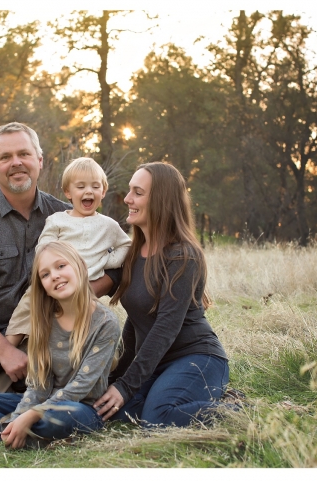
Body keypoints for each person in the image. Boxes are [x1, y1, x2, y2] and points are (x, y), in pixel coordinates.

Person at [0, 122, 117, 431]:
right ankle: (41, 421)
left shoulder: (70, 216)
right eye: (6, 157)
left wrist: (82, 297)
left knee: (88, 387)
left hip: (58, 338)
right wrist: (5, 350)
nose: (16, 163)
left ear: (39, 160)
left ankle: (46, 414)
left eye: (24, 153)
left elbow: (114, 266)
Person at [93, 162, 230, 427]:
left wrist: (126, 386)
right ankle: (160, 397)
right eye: (130, 191)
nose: (127, 199)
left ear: (161, 200)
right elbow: (135, 322)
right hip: (157, 363)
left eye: (138, 192)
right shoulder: (133, 253)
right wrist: (116, 381)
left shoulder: (184, 255)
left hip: (197, 358)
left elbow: (165, 327)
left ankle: (234, 409)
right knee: (110, 413)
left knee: (157, 418)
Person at [0, 241, 120, 448]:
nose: (55, 276)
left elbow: (81, 386)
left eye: (61, 266)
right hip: (43, 402)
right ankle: (21, 437)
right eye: (45, 274)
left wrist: (32, 414)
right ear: (43, 287)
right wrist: (19, 416)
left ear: (81, 267)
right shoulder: (44, 321)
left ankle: (14, 435)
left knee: (61, 418)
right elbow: (37, 385)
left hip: (81, 408)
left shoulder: (106, 323)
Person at [5, 157, 131, 347]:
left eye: (95, 187)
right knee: (29, 303)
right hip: (56, 278)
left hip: (85, 286)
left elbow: (126, 246)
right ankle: (9, 346)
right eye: (80, 187)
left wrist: (107, 261)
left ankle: (89, 360)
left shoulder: (109, 225)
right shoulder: (57, 220)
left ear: (103, 192)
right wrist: (52, 264)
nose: (88, 191)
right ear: (68, 192)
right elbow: (43, 246)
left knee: (87, 325)